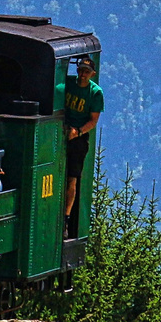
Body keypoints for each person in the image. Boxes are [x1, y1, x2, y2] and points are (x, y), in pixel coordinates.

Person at [63, 55, 103, 230]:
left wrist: (77, 132)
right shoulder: (69, 84)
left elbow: (93, 121)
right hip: (62, 130)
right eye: (80, 70)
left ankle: (66, 217)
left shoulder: (95, 93)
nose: (82, 75)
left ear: (92, 74)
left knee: (72, 178)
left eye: (86, 72)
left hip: (78, 138)